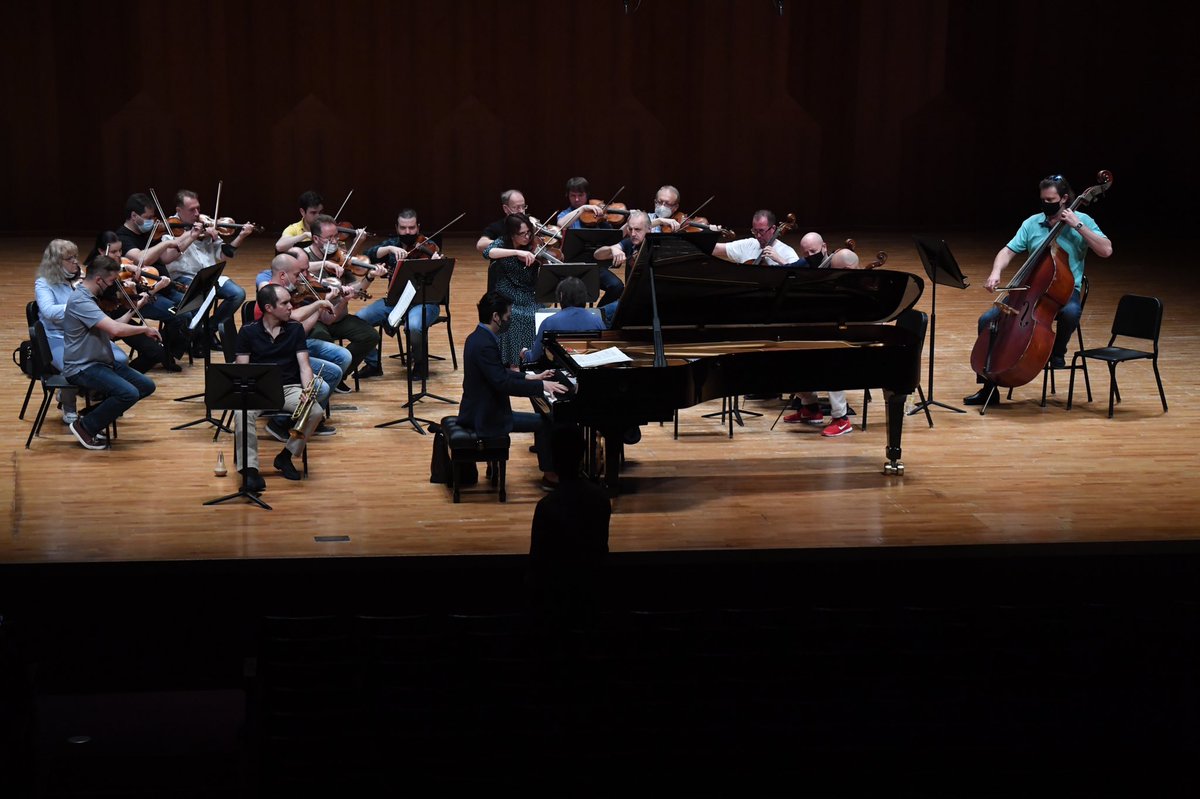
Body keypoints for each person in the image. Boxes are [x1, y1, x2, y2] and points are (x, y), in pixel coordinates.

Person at [964, 174, 1112, 406]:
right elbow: (1007, 251)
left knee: (1071, 313)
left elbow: (1106, 250)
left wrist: (1078, 226)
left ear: (1064, 198)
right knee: (988, 320)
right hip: (1027, 291)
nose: (1046, 204)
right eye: (1043, 199)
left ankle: (1057, 353)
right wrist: (995, 272)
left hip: (1063, 290)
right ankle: (988, 388)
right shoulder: (1032, 223)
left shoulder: (1082, 219)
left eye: (1051, 199)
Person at [459, 291, 569, 489]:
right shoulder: (485, 344)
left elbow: (499, 372)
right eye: (508, 316)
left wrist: (530, 376)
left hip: (480, 409)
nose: (509, 320)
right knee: (545, 422)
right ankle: (550, 475)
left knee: (544, 418)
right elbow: (503, 383)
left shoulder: (477, 337)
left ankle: (549, 464)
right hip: (486, 417)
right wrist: (541, 386)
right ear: (496, 317)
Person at [234, 284, 329, 489]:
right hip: (258, 388)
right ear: (269, 308)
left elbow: (304, 366)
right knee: (241, 413)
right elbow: (243, 369)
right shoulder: (248, 332)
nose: (291, 307)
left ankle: (286, 456)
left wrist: (307, 391)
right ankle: (249, 470)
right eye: (285, 303)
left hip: (289, 388)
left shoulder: (295, 329)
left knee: (315, 412)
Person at [61, 255, 159, 450]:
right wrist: (144, 329)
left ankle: (92, 417)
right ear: (99, 280)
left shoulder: (90, 298)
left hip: (100, 361)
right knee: (128, 393)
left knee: (146, 386)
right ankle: (85, 427)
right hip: (82, 367)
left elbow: (112, 328)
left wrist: (138, 306)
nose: (114, 285)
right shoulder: (81, 301)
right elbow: (115, 331)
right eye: (112, 281)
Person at [34, 239, 132, 425]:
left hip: (85, 333)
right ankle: (69, 404)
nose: (75, 262)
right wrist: (77, 305)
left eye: (75, 257)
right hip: (57, 337)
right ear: (55, 262)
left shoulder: (79, 281)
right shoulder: (43, 283)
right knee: (71, 364)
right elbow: (48, 311)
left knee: (120, 359)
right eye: (69, 259)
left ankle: (104, 401)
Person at [528, 426, 610, 614]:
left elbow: (537, 562)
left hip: (554, 598)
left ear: (554, 462)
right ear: (581, 458)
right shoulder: (601, 500)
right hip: (592, 594)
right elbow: (601, 550)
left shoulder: (547, 506)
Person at [356, 209, 444, 379]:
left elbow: (441, 280)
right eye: (403, 228)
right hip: (395, 302)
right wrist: (388, 249)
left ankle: (420, 364)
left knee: (414, 326)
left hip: (424, 302)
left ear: (418, 227)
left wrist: (436, 265)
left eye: (411, 228)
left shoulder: (428, 246)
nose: (407, 232)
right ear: (397, 228)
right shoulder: (392, 244)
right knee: (360, 318)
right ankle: (373, 364)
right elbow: (365, 257)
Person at [783, 250, 860, 436]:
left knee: (831, 361)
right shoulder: (840, 286)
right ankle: (811, 408)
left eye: (835, 270)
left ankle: (841, 419)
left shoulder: (864, 289)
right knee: (788, 358)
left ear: (849, 269)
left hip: (859, 349)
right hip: (838, 339)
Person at [302, 215, 383, 389]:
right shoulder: (303, 258)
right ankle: (321, 379)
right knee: (320, 336)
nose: (334, 241)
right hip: (315, 319)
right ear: (316, 239)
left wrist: (369, 276)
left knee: (370, 336)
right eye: (329, 238)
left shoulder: (340, 257)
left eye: (336, 236)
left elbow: (357, 287)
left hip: (338, 315)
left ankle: (339, 376)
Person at [160, 189, 250, 342]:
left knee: (238, 294)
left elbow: (224, 255)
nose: (196, 213)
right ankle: (198, 337)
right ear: (178, 210)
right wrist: (191, 235)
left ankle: (207, 331)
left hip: (210, 275)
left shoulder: (205, 223)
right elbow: (167, 258)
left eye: (198, 208)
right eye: (191, 210)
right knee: (204, 295)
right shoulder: (169, 229)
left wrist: (240, 236)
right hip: (184, 278)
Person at [113, 193, 193, 363]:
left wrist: (192, 234)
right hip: (144, 295)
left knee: (191, 305)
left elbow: (165, 258)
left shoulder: (150, 234)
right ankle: (164, 354)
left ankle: (165, 348)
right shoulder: (122, 237)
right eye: (147, 217)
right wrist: (165, 243)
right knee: (180, 315)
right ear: (134, 216)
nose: (152, 221)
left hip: (164, 288)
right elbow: (142, 258)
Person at [82, 232, 171, 373]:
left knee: (156, 351)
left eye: (120, 250)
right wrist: (154, 290)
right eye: (113, 252)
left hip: (121, 315)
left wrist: (129, 274)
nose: (119, 255)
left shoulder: (117, 269)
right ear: (101, 251)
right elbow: (130, 305)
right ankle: (121, 378)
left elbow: (130, 304)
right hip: (105, 322)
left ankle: (125, 375)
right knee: (154, 352)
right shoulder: (96, 274)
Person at [482, 214, 544, 366]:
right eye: (522, 234)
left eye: (529, 232)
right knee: (515, 315)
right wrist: (517, 252)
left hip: (528, 292)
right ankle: (514, 361)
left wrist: (543, 261)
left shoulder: (533, 245)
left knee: (538, 314)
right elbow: (487, 252)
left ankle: (534, 360)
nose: (527, 237)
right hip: (507, 291)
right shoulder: (503, 242)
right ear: (511, 234)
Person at [555, 177, 625, 307]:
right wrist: (582, 209)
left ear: (587, 195)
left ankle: (600, 312)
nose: (576, 199)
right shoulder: (566, 214)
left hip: (595, 265)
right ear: (568, 196)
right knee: (574, 297)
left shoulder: (598, 214)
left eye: (580, 195)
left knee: (617, 286)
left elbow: (615, 237)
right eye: (573, 195)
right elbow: (561, 223)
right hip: (572, 266)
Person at [521, 276, 607, 365]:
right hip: (588, 372)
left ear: (561, 296)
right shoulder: (597, 321)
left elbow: (534, 357)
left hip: (557, 373)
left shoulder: (549, 322)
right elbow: (605, 353)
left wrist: (525, 353)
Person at [712, 210, 798, 265]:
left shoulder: (787, 252)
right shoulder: (748, 244)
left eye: (761, 231)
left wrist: (780, 260)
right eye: (755, 231)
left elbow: (798, 276)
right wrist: (707, 232)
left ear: (773, 229)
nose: (758, 236)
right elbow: (713, 248)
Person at [476, 189, 529, 254]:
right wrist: (510, 243)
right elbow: (480, 245)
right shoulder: (497, 226)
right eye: (516, 207)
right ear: (505, 209)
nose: (521, 211)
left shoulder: (530, 223)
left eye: (523, 207)